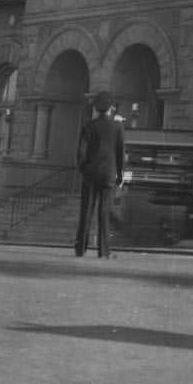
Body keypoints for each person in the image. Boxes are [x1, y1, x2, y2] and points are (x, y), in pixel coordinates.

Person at [74, 90, 124, 259]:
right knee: (104, 212)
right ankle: (104, 251)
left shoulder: (88, 125)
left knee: (86, 211)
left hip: (90, 174)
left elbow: (81, 152)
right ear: (111, 108)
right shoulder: (117, 127)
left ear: (96, 108)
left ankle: (80, 248)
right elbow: (120, 153)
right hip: (109, 174)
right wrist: (120, 175)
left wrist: (84, 169)